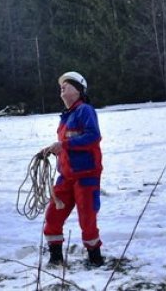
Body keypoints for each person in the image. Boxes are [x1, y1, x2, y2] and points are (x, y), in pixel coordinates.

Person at [40, 71, 105, 268]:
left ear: (78, 91)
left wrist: (64, 145)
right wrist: (52, 149)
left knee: (87, 219)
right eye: (61, 85)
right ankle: (56, 258)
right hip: (66, 176)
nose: (62, 87)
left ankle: (95, 259)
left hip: (86, 176)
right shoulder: (66, 117)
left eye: (67, 85)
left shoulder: (85, 110)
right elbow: (66, 144)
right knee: (53, 215)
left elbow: (93, 136)